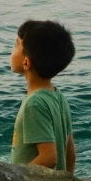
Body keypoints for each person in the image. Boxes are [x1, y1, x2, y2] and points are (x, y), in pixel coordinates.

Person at [10, 19, 76, 172]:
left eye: (16, 45)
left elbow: (49, 158)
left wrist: (13, 178)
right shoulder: (58, 96)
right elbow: (70, 152)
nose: (12, 50)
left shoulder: (34, 104)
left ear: (26, 63)